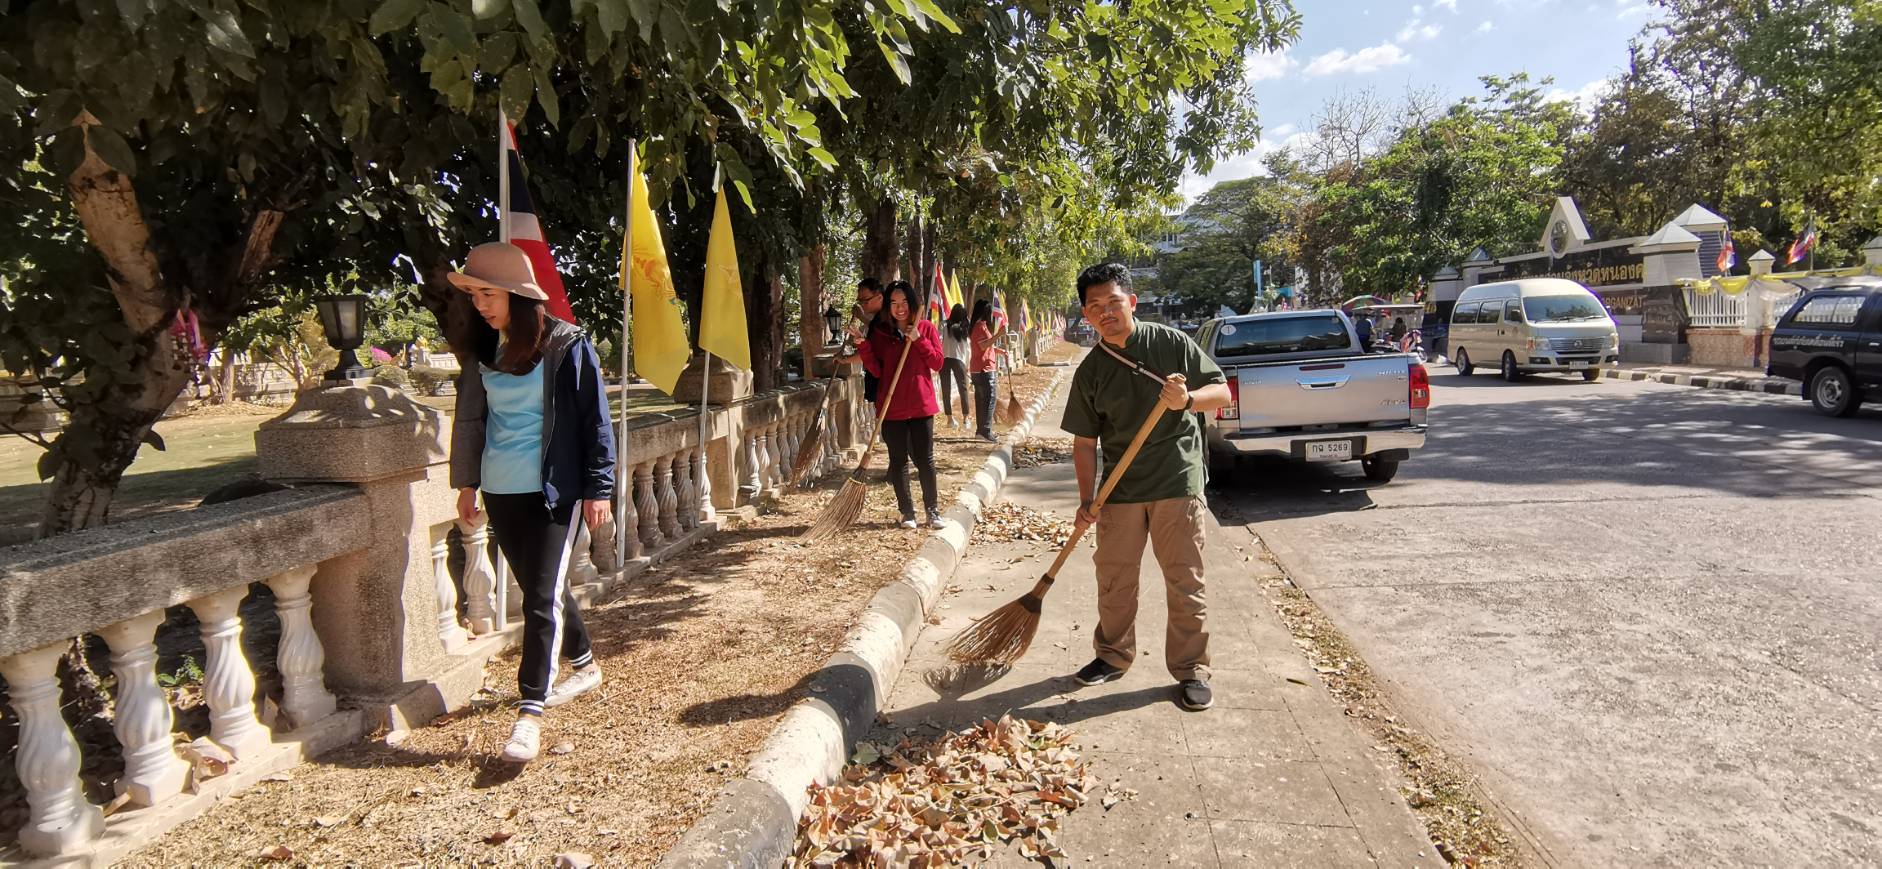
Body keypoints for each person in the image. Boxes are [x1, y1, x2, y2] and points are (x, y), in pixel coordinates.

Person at [447, 242, 615, 763]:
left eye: (488, 294)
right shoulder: (482, 351)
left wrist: (599, 487)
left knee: (538, 600)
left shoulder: (565, 345)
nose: (480, 305)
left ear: (519, 296)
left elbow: (596, 420)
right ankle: (585, 664)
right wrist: (467, 483)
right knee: (543, 588)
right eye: (474, 295)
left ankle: (529, 713)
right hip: (500, 490)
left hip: (553, 493)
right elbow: (472, 421)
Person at [1061, 262, 1231, 711]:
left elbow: (1222, 392)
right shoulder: (1092, 370)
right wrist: (1086, 499)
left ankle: (1192, 668)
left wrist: (1188, 400)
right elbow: (1084, 442)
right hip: (1119, 490)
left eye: (1113, 302)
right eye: (1094, 306)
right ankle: (1112, 656)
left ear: (1131, 302)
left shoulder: (1170, 343)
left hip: (1177, 481)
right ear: (1086, 313)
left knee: (1184, 580)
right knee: (1114, 579)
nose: (1105, 312)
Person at [857, 280, 945, 529]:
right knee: (898, 461)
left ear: (912, 303)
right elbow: (876, 369)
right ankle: (907, 512)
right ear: (888, 306)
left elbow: (937, 363)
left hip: (921, 404)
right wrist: (863, 347)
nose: (899, 308)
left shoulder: (925, 328)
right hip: (892, 407)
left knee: (925, 459)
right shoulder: (881, 333)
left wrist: (918, 339)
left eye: (904, 302)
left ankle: (932, 510)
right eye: (894, 303)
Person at [837, 278, 886, 421]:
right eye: (860, 301)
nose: (862, 304)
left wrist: (845, 360)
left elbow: (871, 353)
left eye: (865, 300)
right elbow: (875, 331)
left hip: (884, 383)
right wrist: (861, 317)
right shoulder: (881, 319)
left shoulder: (885, 319)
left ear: (879, 297)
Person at [968, 299, 1004, 442]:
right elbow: (983, 346)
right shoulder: (980, 327)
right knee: (989, 400)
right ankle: (986, 431)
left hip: (978, 368)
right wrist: (998, 335)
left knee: (981, 400)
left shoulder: (976, 327)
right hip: (984, 369)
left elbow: (984, 346)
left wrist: (999, 351)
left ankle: (980, 431)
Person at [940, 304, 972, 429]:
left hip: (944, 359)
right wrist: (967, 365)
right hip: (959, 360)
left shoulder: (944, 324)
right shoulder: (964, 328)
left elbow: (939, 339)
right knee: (963, 389)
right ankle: (966, 419)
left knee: (945, 389)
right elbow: (968, 349)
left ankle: (949, 419)